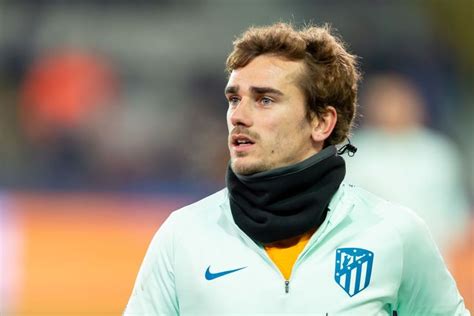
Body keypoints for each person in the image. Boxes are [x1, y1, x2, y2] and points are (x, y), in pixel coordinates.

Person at [124, 23, 469, 315]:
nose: (238, 115)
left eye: (265, 99)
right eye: (234, 98)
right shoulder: (182, 235)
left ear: (321, 122)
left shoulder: (396, 233)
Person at [344, 73, 470, 256]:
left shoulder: (438, 152)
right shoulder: (355, 154)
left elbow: (457, 213)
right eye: (386, 102)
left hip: (435, 255)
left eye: (399, 101)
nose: (394, 109)